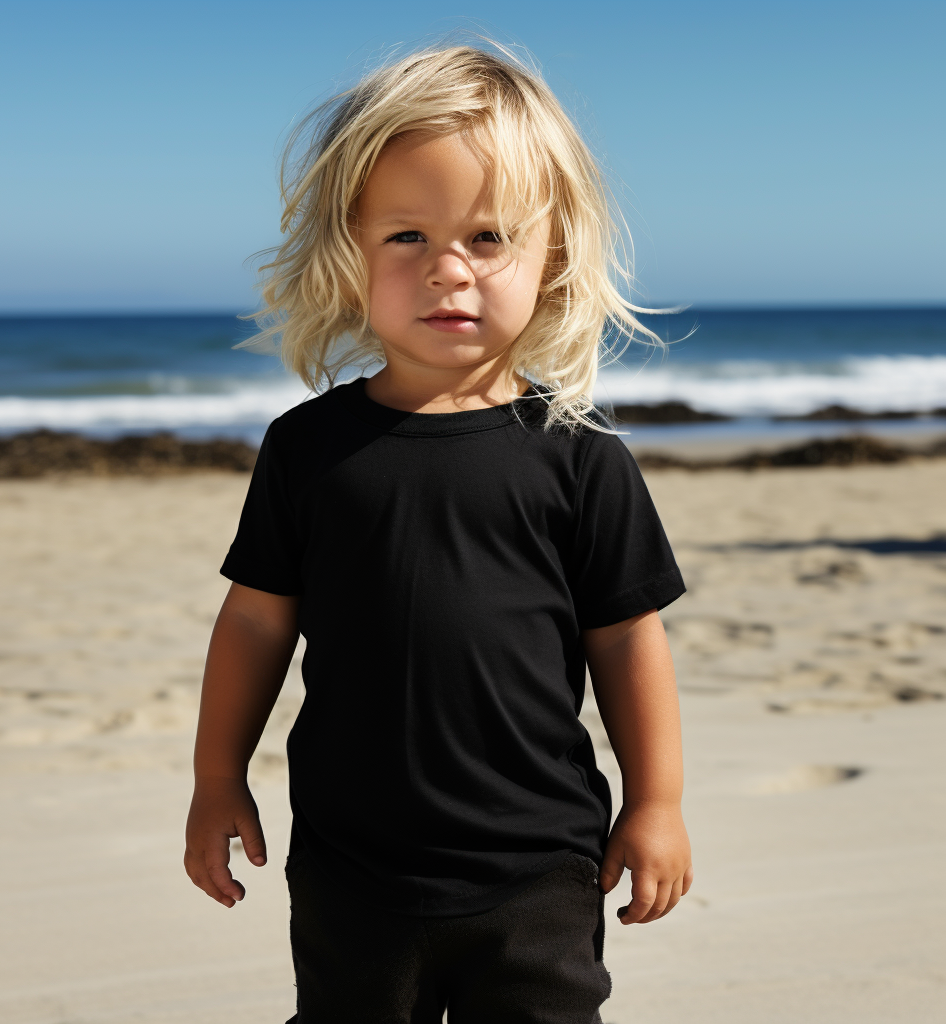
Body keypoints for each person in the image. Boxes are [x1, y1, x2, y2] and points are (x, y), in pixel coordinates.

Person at [184, 42, 693, 1024]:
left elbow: (628, 637)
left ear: (551, 257)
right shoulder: (310, 450)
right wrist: (217, 777)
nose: (447, 270)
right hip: (349, 858)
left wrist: (656, 801)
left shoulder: (578, 457)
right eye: (407, 236)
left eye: (489, 237)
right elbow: (253, 623)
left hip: (537, 859)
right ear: (349, 252)